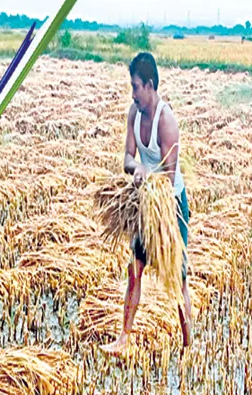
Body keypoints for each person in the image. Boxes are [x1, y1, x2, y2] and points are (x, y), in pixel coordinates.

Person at [99, 52, 192, 355]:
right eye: (132, 87)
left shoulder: (167, 121)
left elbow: (168, 174)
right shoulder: (133, 114)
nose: (133, 93)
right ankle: (123, 339)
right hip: (145, 203)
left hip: (170, 206)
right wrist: (135, 168)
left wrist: (147, 174)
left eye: (136, 87)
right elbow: (127, 157)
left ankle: (189, 344)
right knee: (134, 269)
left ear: (150, 85)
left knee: (178, 276)